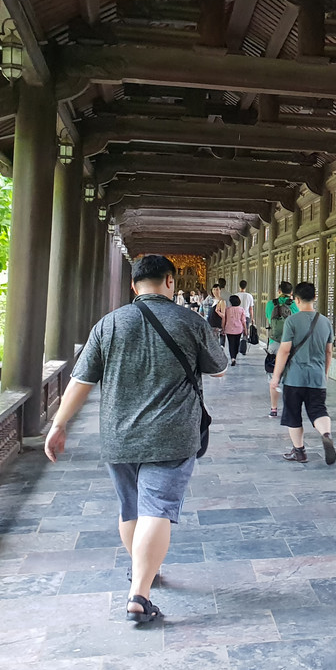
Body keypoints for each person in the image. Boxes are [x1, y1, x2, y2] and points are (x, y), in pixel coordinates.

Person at [44, 254, 227, 624]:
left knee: (131, 508)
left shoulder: (108, 324)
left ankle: (143, 569)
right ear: (171, 281)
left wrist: (58, 424)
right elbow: (219, 367)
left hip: (119, 434)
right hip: (172, 433)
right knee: (157, 508)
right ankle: (139, 595)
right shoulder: (189, 321)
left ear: (133, 285)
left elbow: (81, 381)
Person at [269, 281, 336, 465]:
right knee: (318, 409)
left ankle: (299, 451)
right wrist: (325, 373)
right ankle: (326, 434)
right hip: (317, 376)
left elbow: (284, 350)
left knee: (293, 414)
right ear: (315, 297)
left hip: (294, 377)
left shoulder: (292, 321)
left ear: (296, 300)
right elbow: (329, 352)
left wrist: (276, 376)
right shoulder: (325, 322)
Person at [265, 281, 295, 412]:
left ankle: (274, 408)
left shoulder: (270, 304)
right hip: (290, 343)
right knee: (290, 376)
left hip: (274, 342)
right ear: (291, 292)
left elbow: (269, 319)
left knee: (273, 376)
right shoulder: (294, 305)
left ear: (279, 291)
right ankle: (289, 407)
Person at [222, 292, 249, 366]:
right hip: (238, 329)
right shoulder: (241, 309)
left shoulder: (227, 309)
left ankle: (232, 358)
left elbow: (224, 319)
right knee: (237, 343)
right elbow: (243, 321)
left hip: (229, 329)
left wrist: (223, 328)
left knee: (231, 344)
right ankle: (235, 356)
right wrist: (245, 329)